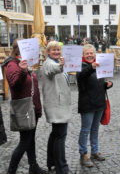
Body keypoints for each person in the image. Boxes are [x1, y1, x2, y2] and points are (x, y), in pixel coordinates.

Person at [4, 39, 47, 174]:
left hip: (32, 108)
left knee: (30, 139)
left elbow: (32, 86)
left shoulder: (24, 63)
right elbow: (14, 84)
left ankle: (33, 166)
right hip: (24, 109)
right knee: (24, 142)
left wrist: (38, 108)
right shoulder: (12, 65)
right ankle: (11, 170)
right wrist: (23, 71)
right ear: (19, 50)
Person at [76, 44, 113, 166]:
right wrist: (91, 67)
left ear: (95, 54)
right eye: (87, 53)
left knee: (95, 129)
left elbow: (98, 84)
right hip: (87, 104)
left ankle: (95, 151)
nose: (90, 55)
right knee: (85, 130)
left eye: (92, 53)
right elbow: (82, 77)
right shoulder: (81, 66)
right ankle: (83, 154)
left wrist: (107, 84)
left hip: (99, 103)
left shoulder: (98, 65)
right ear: (83, 55)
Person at [40, 41, 72, 174]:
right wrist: (61, 66)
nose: (56, 52)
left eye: (58, 50)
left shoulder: (56, 61)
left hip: (59, 104)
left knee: (55, 135)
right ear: (48, 52)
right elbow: (53, 70)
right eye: (53, 50)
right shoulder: (49, 63)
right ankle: (62, 168)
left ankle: (52, 163)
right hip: (56, 106)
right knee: (60, 136)